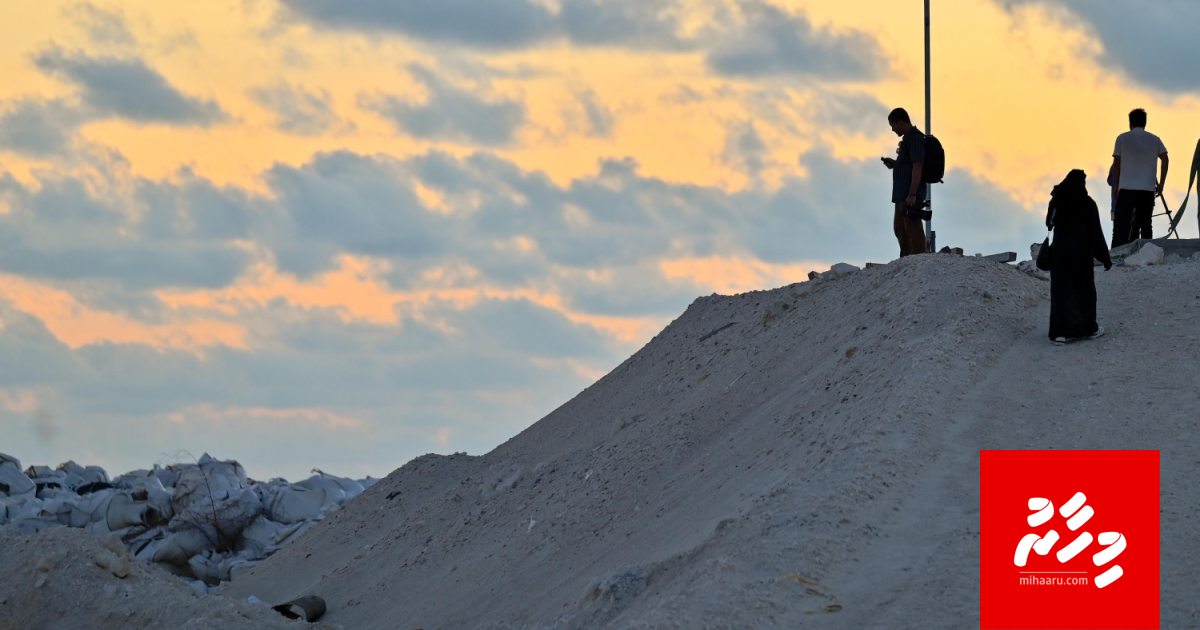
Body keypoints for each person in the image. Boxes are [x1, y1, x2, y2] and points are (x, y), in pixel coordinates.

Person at [1046, 169, 1112, 346]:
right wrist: (1105, 258)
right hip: (1082, 255)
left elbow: (1049, 223)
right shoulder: (1088, 203)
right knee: (1085, 292)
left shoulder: (1057, 200)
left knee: (1061, 293)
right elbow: (1096, 233)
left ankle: (1060, 334)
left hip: (1060, 254)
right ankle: (1089, 329)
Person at [1110, 108, 1168, 247]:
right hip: (1147, 189)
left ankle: (1121, 251)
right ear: (1145, 123)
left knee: (1123, 223)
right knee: (1146, 224)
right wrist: (1161, 184)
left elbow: (1116, 163)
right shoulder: (1155, 139)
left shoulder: (1122, 138)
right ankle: (1147, 251)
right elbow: (1165, 158)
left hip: (1127, 188)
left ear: (1130, 123)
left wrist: (1115, 186)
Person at [880, 108, 927, 256]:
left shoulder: (915, 138)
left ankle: (920, 259)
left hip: (910, 195)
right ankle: (907, 260)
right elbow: (909, 165)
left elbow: (918, 165)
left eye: (893, 125)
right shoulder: (907, 140)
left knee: (912, 228)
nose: (893, 129)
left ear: (900, 122)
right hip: (902, 195)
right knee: (900, 228)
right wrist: (895, 164)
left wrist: (912, 193)